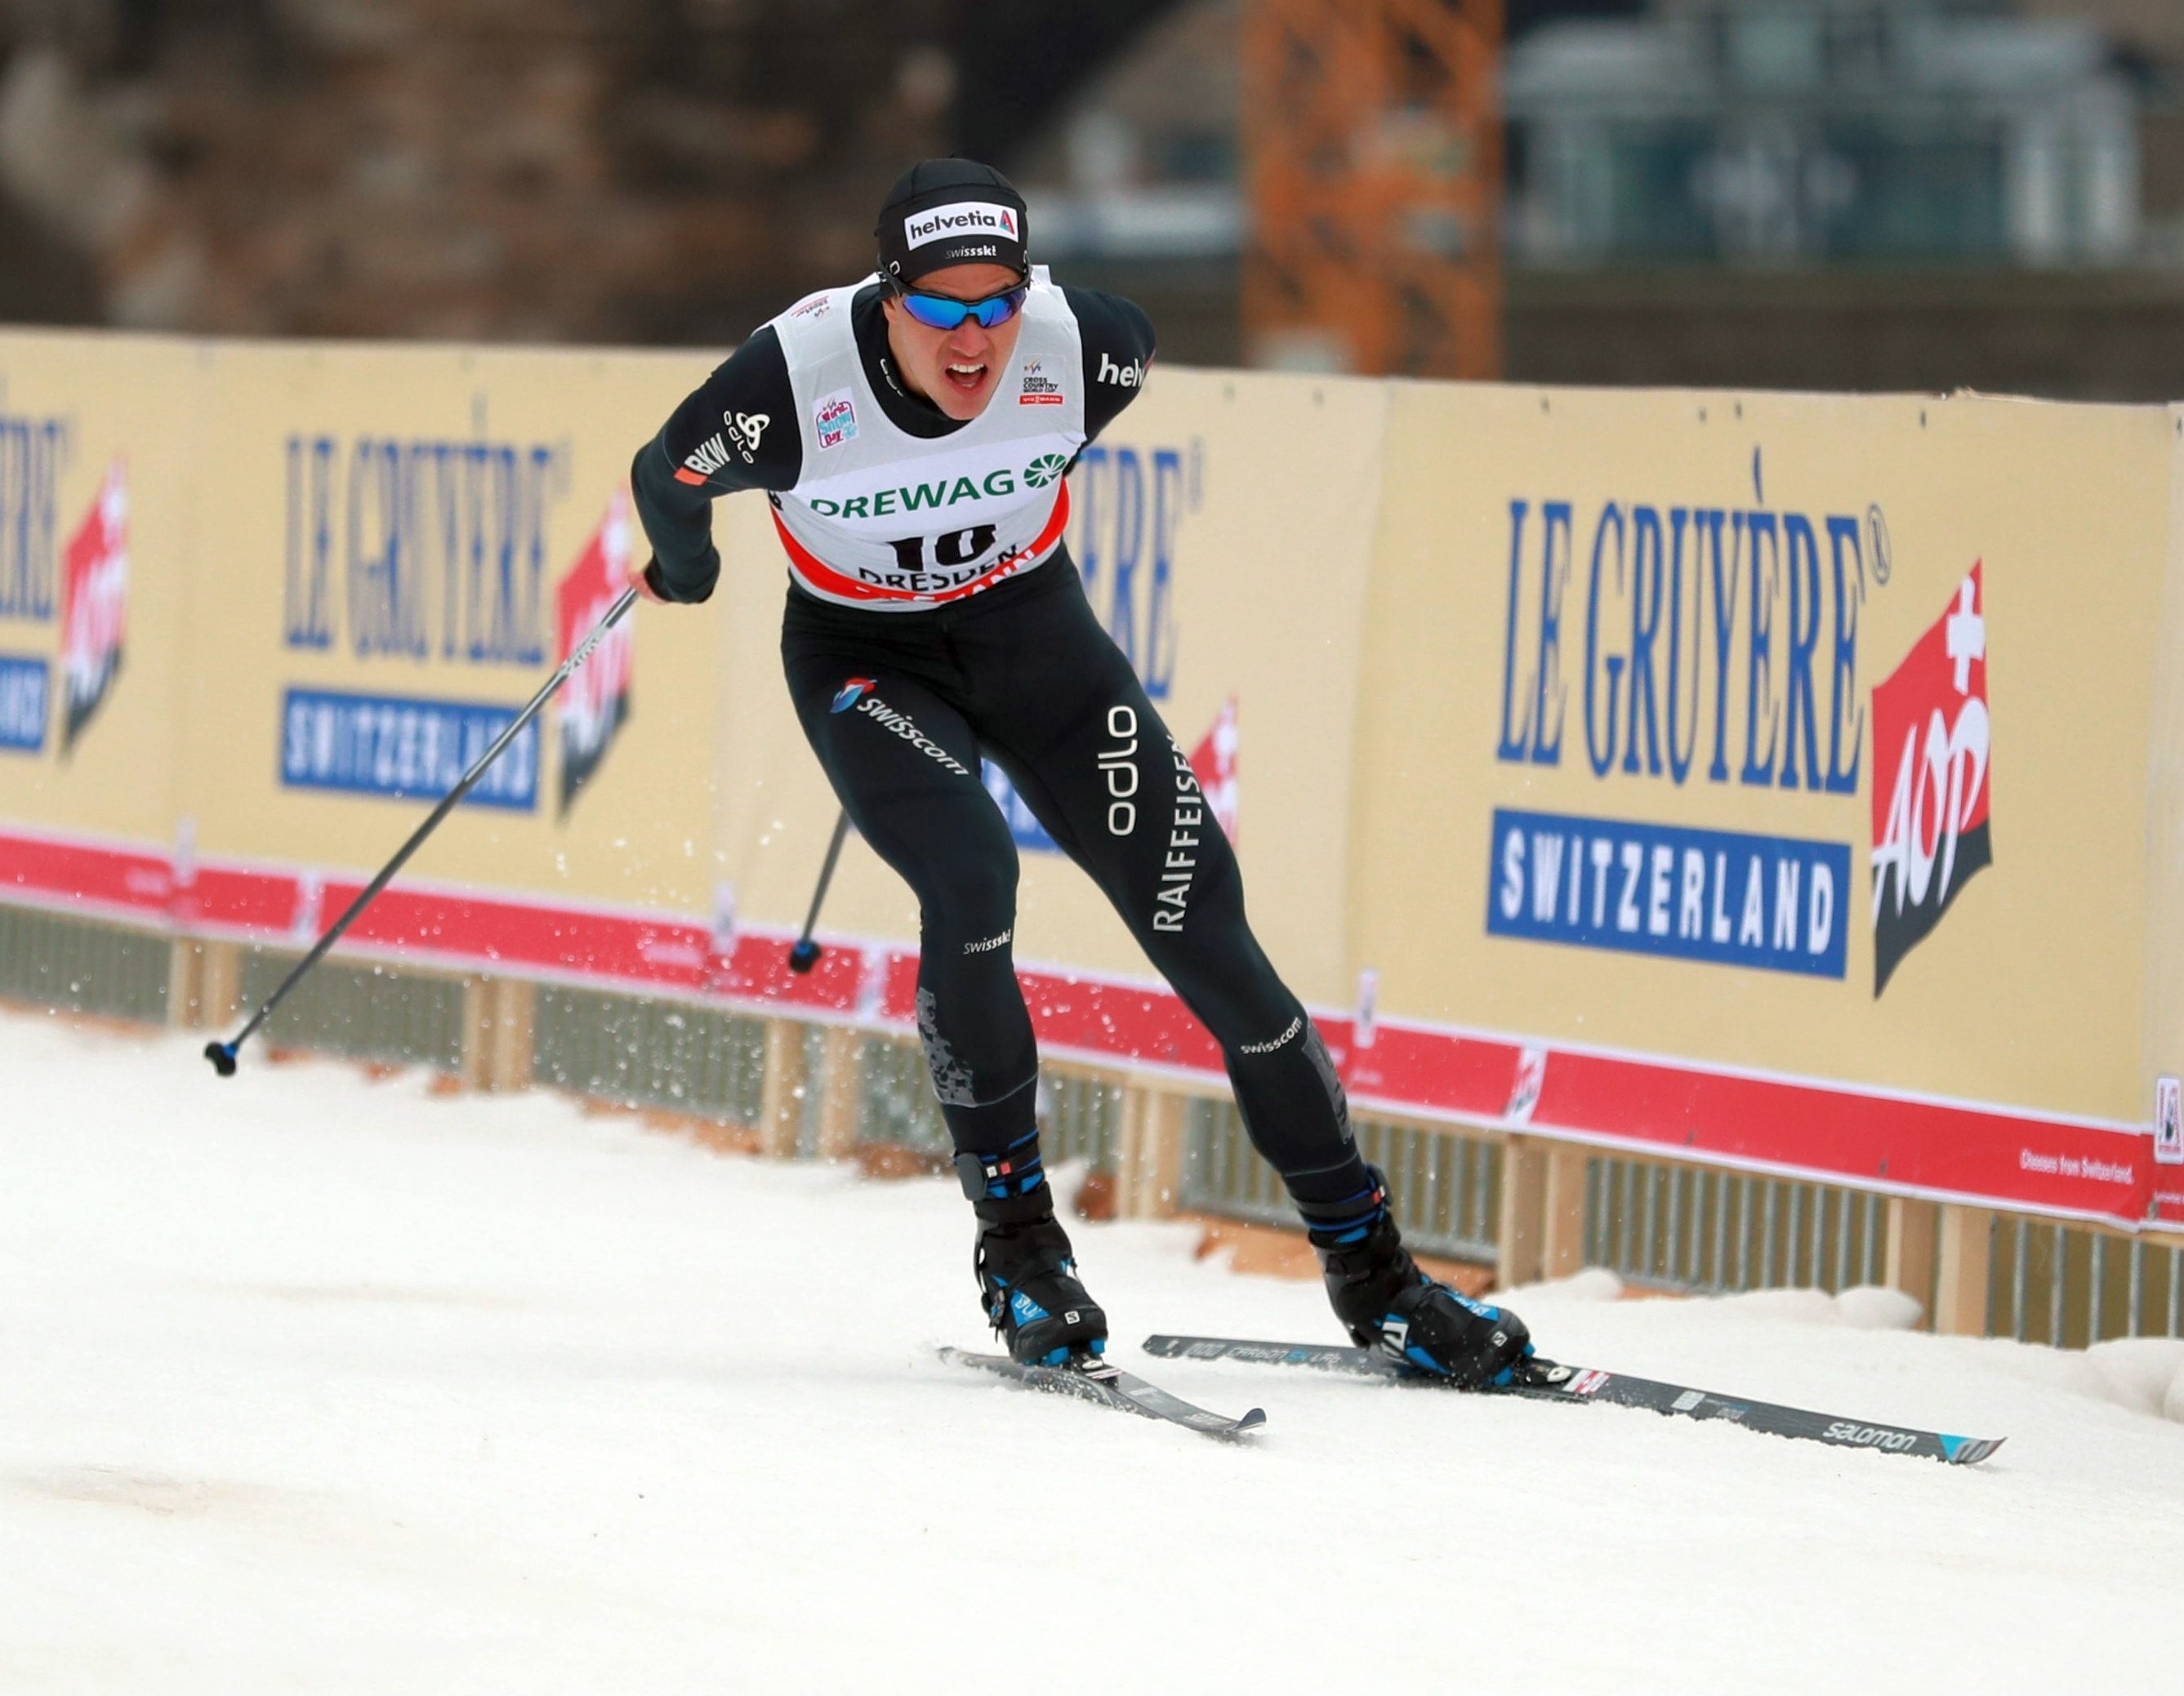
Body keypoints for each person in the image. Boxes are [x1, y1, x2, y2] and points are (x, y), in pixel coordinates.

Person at [629, 159, 1535, 1389]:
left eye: (995, 303)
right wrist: (688, 569)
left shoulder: (1090, 349)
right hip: (866, 658)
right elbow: (665, 474)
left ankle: (1376, 1274)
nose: (972, 338)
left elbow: (1107, 355)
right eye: (939, 308)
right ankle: (1022, 1252)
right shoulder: (789, 387)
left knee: (1203, 924)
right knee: (969, 874)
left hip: (1031, 639)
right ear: (883, 298)